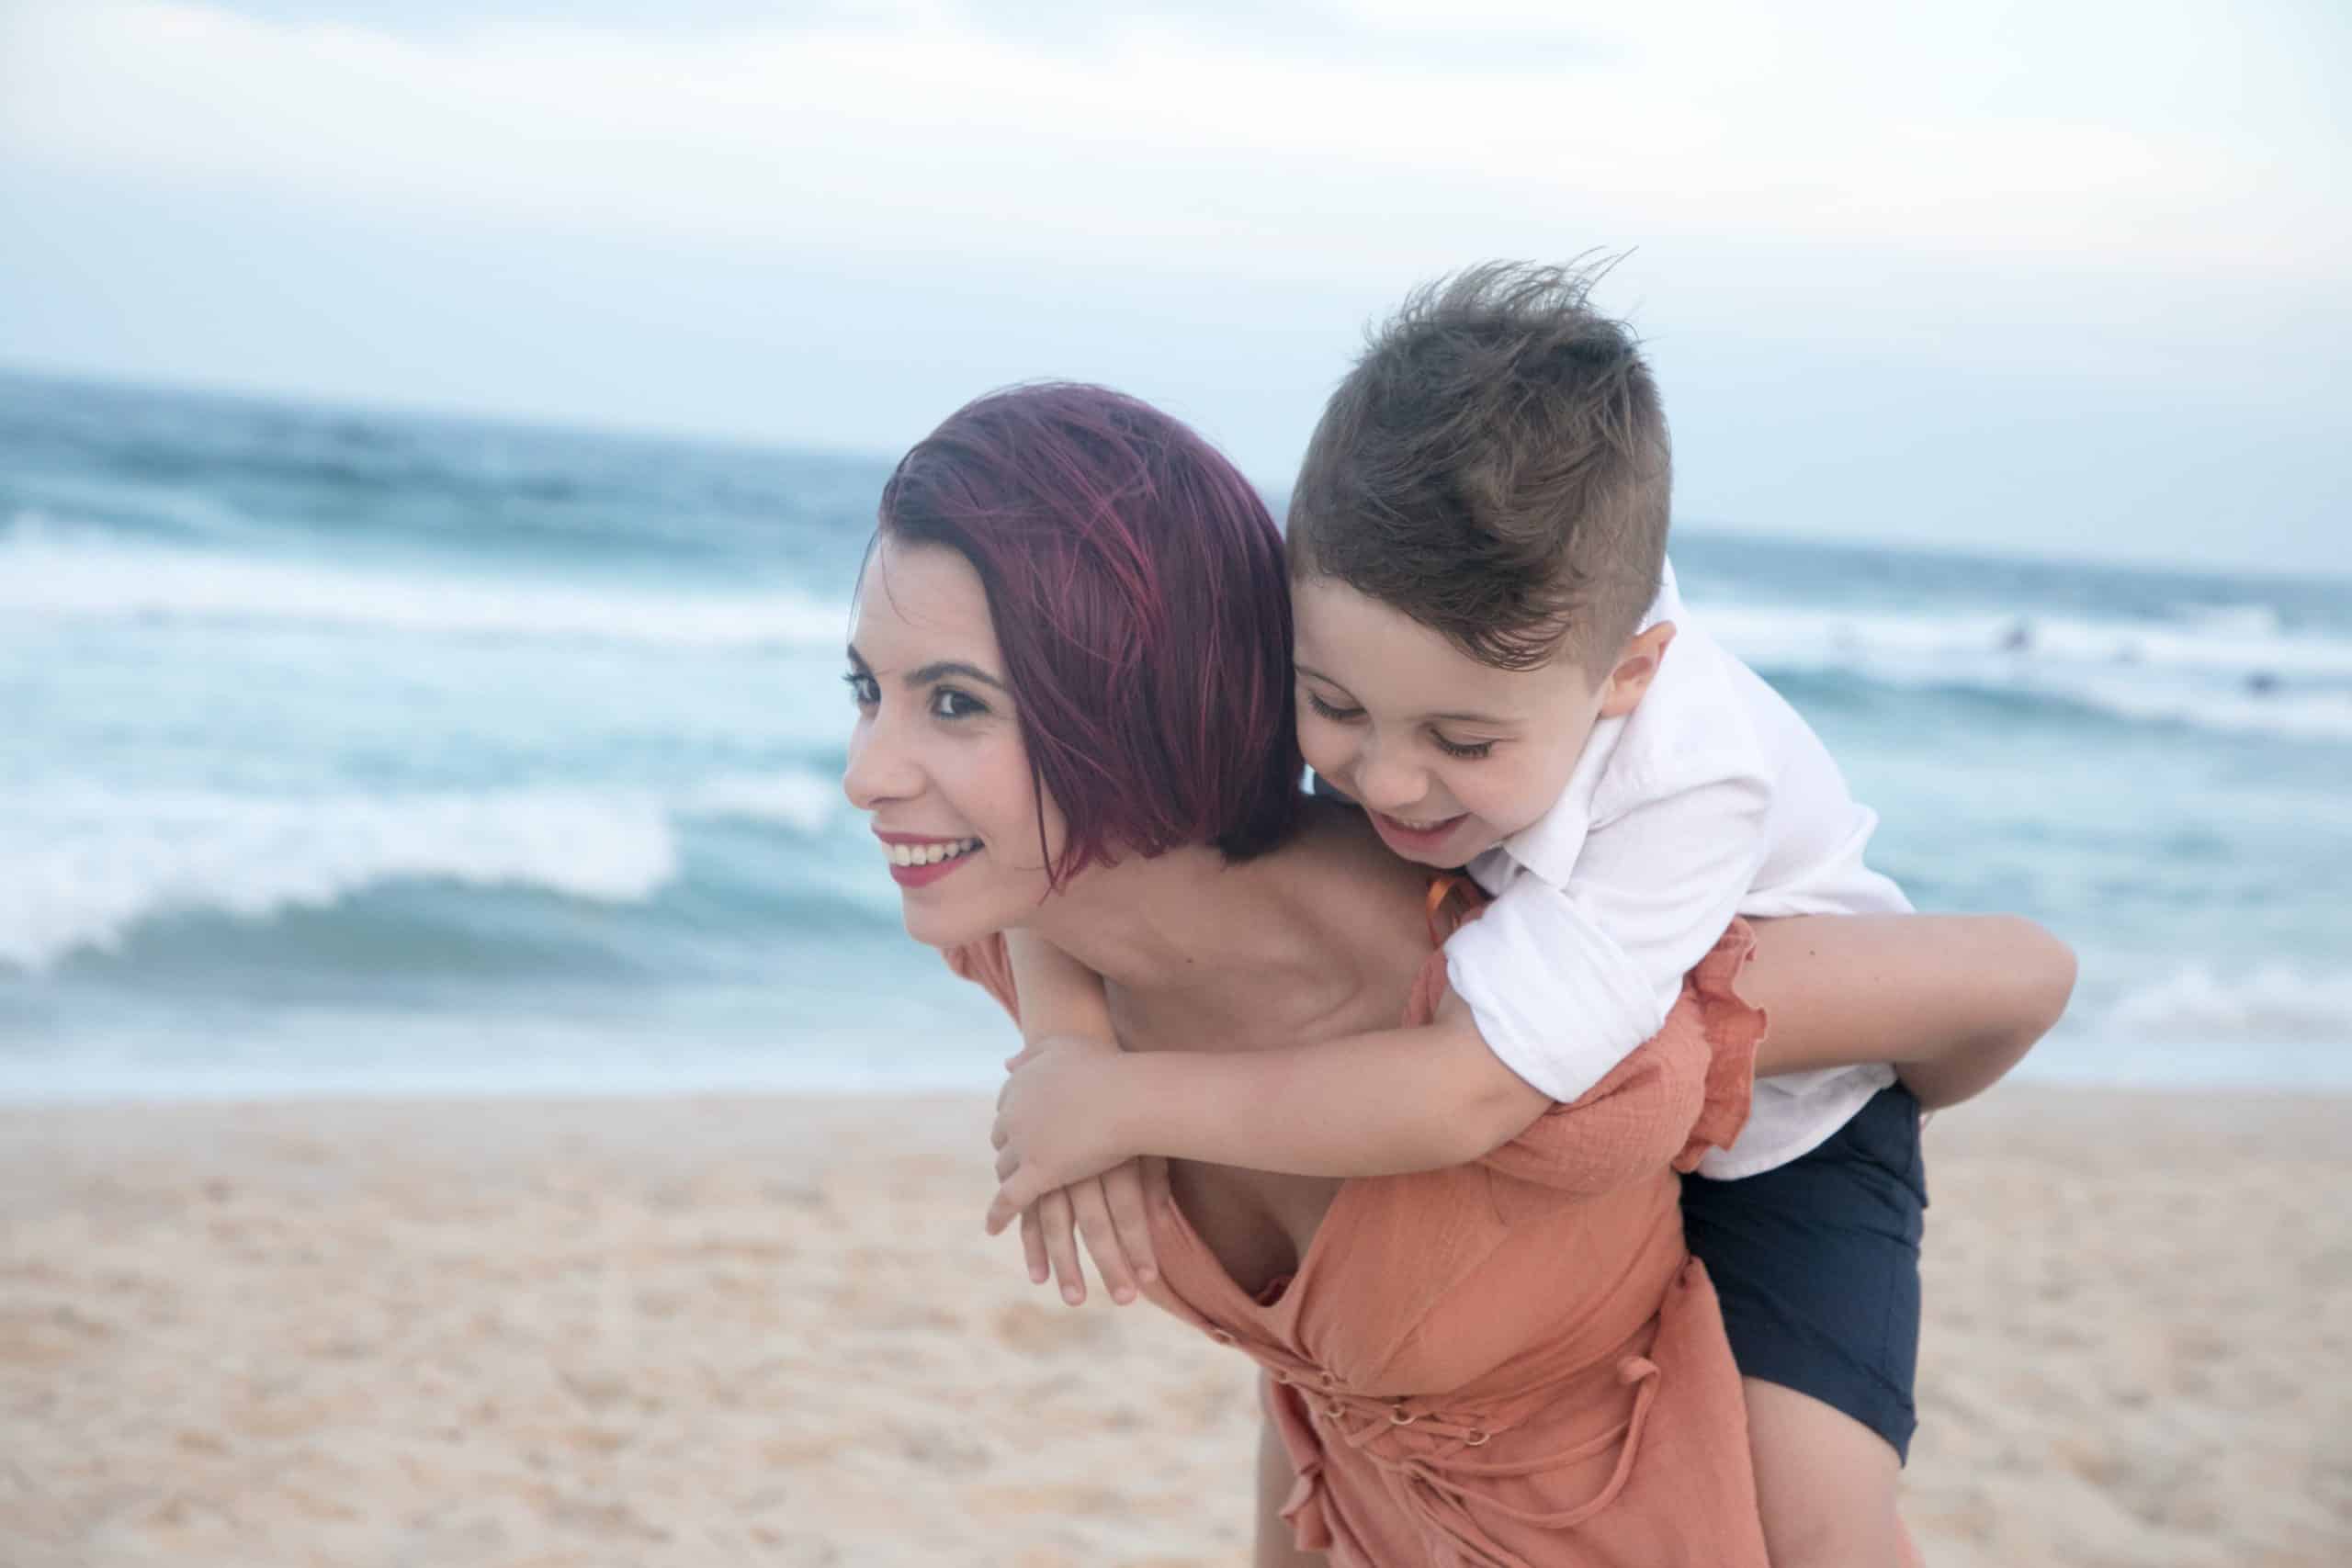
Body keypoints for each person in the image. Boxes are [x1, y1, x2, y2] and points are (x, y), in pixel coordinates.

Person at [843, 382, 2076, 1563]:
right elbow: (1320, 1374)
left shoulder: (1558, 980)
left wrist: (1816, 1128)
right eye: (868, 691)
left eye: (953, 703)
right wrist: (1069, 1044)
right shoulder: (1023, 927)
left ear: (1129, 697)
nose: (865, 773)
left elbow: (2019, 975)